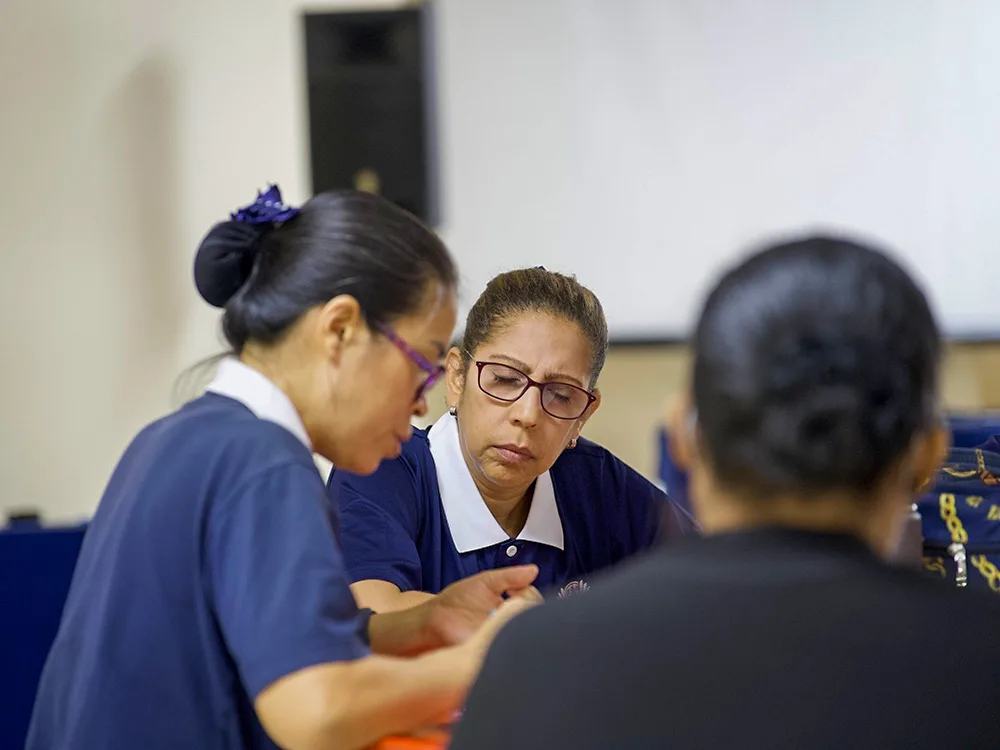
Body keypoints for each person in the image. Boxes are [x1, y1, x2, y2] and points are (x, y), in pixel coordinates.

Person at [27, 186, 541, 750]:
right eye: (422, 366)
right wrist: (482, 662)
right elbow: (316, 710)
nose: (422, 403)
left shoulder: (177, 436)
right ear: (340, 329)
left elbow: (272, 636)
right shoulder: (265, 465)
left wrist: (426, 623)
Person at [450, 235, 1000, 750]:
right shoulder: (980, 667)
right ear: (927, 456)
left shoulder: (532, 660)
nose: (525, 414)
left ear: (685, 439)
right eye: (503, 381)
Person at [327, 267, 695, 612]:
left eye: (561, 395)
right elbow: (372, 618)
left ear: (583, 415)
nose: (528, 415)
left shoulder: (596, 484)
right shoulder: (384, 466)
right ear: (457, 378)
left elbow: (716, 577)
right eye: (504, 379)